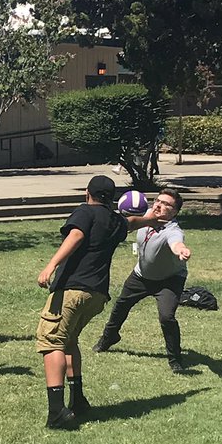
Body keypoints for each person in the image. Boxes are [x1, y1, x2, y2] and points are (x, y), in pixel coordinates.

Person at [35, 175, 159, 429]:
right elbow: (131, 222)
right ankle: (78, 400)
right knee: (69, 341)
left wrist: (51, 265)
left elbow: (76, 235)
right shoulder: (114, 221)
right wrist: (152, 219)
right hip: (97, 294)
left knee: (52, 342)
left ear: (87, 193)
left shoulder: (85, 212)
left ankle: (57, 412)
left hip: (72, 289)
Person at [92, 186, 192, 373]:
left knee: (167, 317)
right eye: (158, 201)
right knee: (121, 305)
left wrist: (181, 250)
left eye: (166, 204)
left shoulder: (172, 230)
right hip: (141, 275)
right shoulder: (145, 216)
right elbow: (127, 222)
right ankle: (109, 337)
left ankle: (175, 359)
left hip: (169, 280)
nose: (158, 205)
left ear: (175, 212)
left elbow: (176, 242)